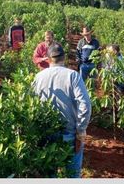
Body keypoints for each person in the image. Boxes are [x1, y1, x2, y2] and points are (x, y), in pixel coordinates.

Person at [32, 43, 91, 178]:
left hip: (45, 132)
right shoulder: (73, 76)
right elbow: (85, 104)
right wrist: (80, 130)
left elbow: (31, 104)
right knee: (72, 175)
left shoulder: (38, 77)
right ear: (64, 58)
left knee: (48, 173)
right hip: (69, 134)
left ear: (48, 59)